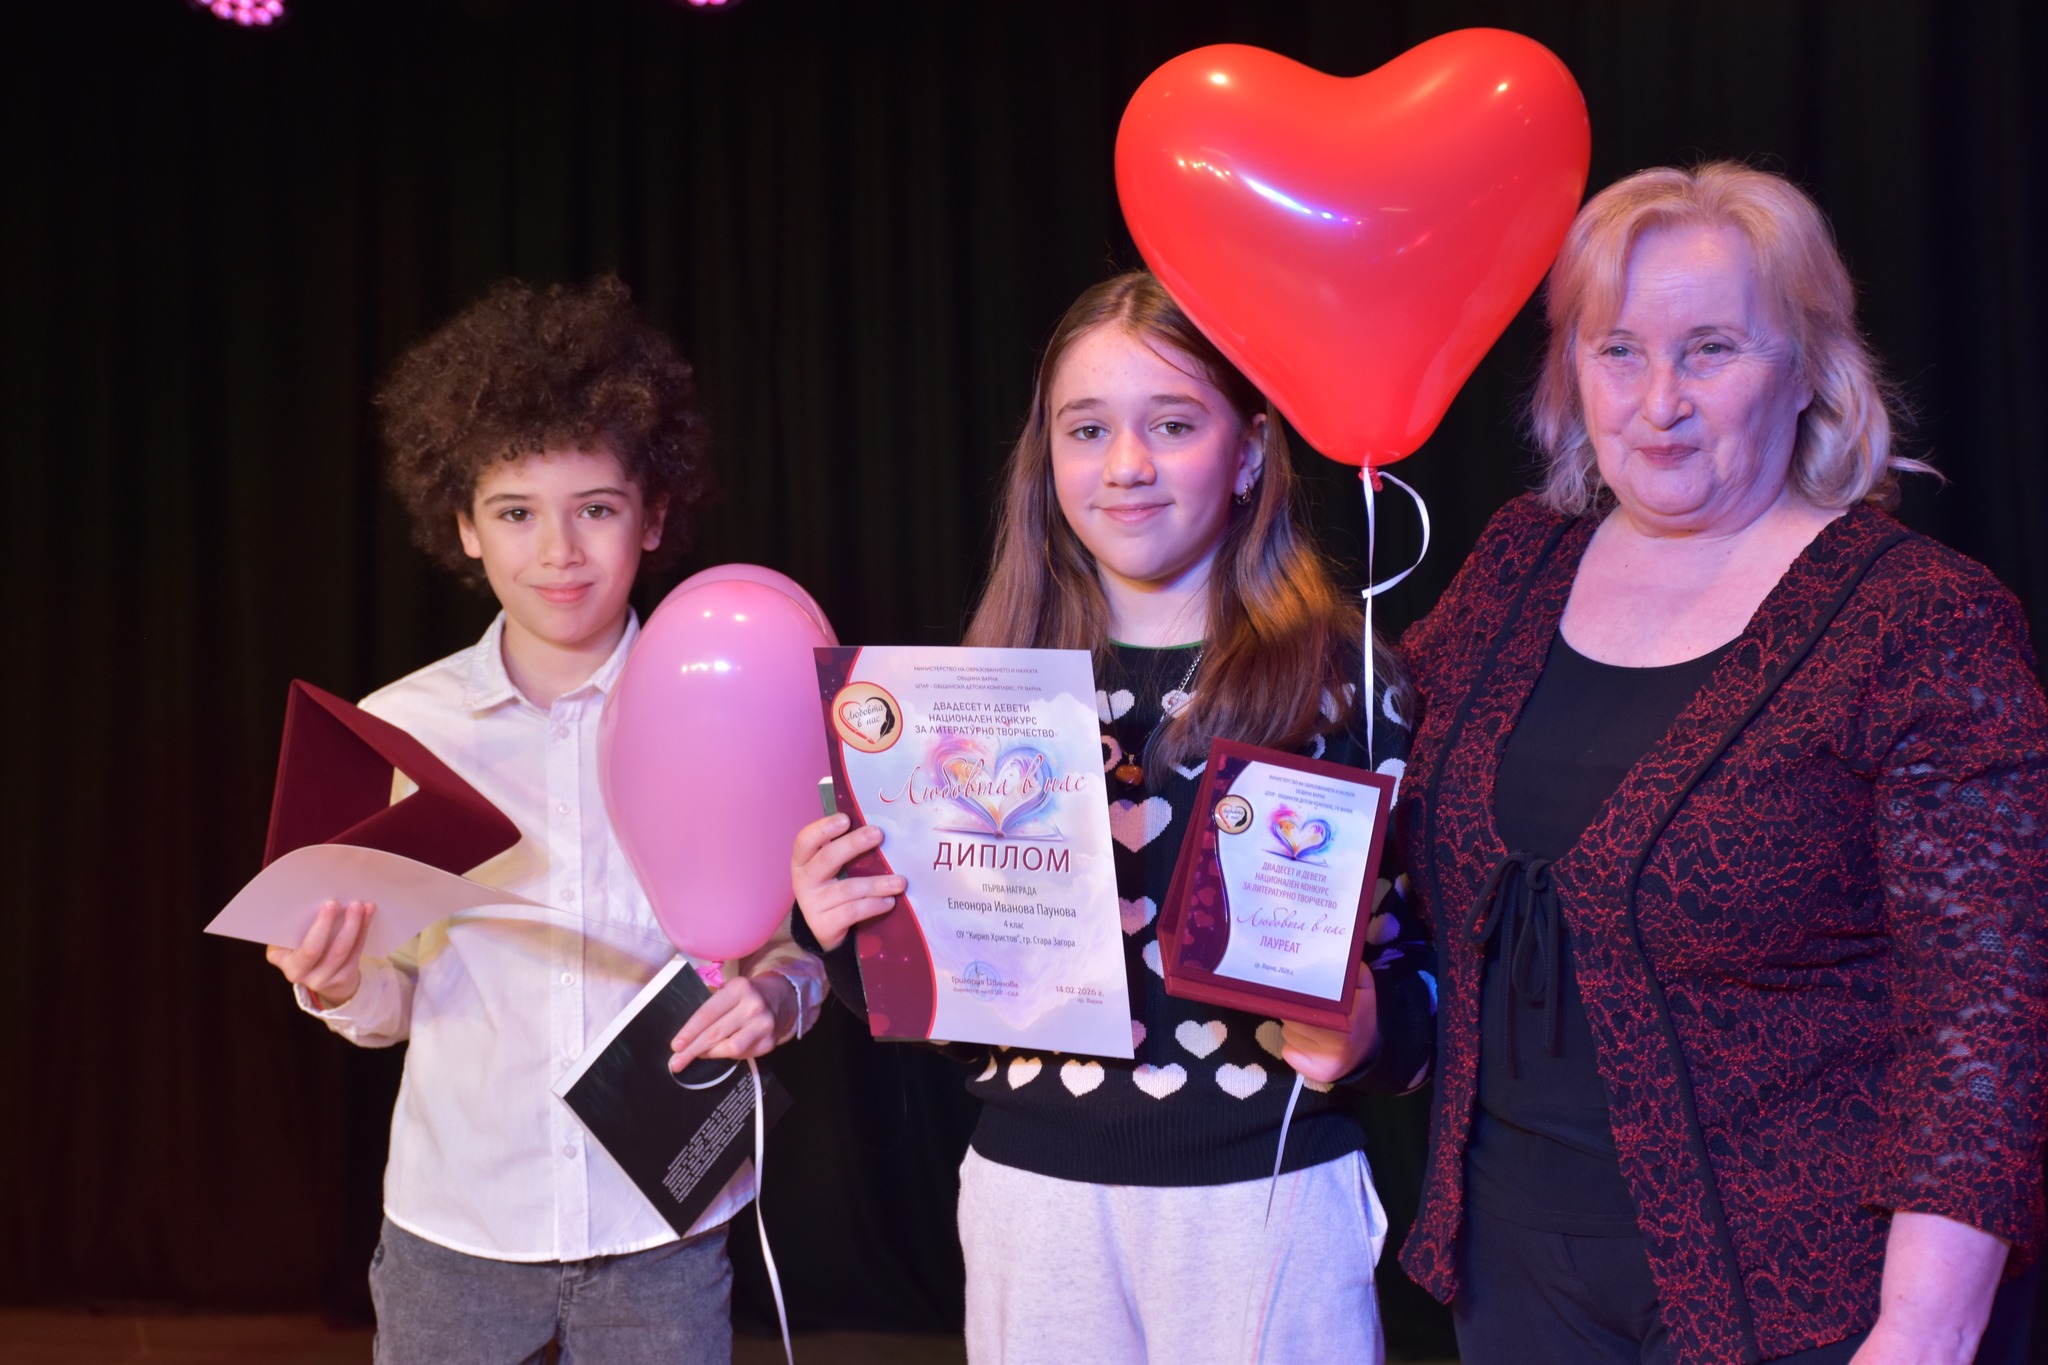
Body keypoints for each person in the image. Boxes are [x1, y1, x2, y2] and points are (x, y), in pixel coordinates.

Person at [1394, 163, 2048, 1365]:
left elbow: (1987, 1019)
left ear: (1806, 370)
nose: (1658, 404)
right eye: (1616, 351)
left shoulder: (1917, 618)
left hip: (1812, 1304)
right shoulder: (1513, 568)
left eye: (1709, 351)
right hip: (1511, 1276)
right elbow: (1354, 792)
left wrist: (1921, 1330)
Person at [782, 270, 1437, 1363]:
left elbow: (1427, 971)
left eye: (1172, 424)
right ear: (1046, 463)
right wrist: (840, 927)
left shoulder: (1347, 689)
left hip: (1268, 1199)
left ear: (1249, 452)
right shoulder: (976, 702)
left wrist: (1374, 1035)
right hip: (1034, 1203)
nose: (1126, 464)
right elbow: (952, 1006)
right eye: (1087, 430)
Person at [263, 276, 824, 1364]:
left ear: (653, 515)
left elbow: (796, 950)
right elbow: (388, 1005)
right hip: (455, 1236)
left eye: (595, 509)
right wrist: (333, 983)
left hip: (665, 1237)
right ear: (464, 527)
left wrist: (781, 998)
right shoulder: (400, 732)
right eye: (516, 513)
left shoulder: (739, 698)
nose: (558, 550)